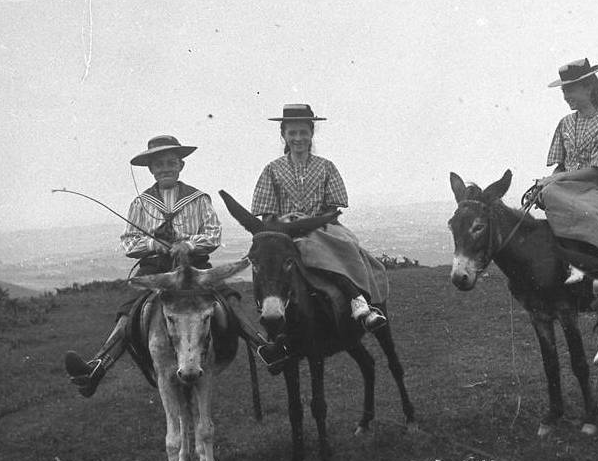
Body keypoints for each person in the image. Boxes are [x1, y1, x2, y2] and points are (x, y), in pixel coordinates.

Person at [64, 135, 266, 397]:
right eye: (159, 164)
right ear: (151, 169)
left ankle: (264, 348)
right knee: (129, 312)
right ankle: (97, 367)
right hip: (155, 269)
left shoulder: (198, 198)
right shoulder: (140, 203)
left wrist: (189, 245)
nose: (165, 168)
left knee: (229, 300)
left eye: (171, 162)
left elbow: (213, 234)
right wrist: (152, 245)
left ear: (181, 165)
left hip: (194, 267)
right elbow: (129, 243)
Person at [250, 104, 389, 363]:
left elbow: (332, 205)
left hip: (320, 227)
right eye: (292, 133)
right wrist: (285, 224)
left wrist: (311, 221)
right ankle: (273, 334)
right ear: (284, 135)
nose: (298, 138)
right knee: (268, 263)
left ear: (311, 133)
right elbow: (266, 212)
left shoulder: (326, 167)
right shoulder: (272, 169)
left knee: (347, 245)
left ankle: (358, 300)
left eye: (303, 132)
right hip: (284, 231)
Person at [539, 58, 598, 284]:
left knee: (592, 212)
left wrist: (558, 178)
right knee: (546, 194)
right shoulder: (565, 123)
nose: (566, 96)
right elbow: (561, 163)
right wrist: (547, 181)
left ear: (588, 87)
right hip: (567, 187)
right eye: (564, 91)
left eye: (571, 89)